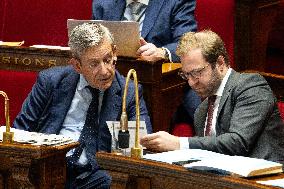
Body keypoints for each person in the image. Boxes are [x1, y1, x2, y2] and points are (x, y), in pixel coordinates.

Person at [13, 23, 152, 189]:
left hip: (95, 175)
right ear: (77, 65)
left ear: (115, 52)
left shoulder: (128, 92)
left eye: (108, 59)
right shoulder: (50, 82)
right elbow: (19, 131)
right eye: (94, 64)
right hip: (48, 169)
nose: (105, 71)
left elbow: (141, 144)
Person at [140, 30, 284, 163]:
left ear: (220, 63)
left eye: (197, 73)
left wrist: (179, 143)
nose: (191, 82)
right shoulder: (202, 111)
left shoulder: (250, 86)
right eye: (186, 75)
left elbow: (238, 142)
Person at [92, 0, 201, 128]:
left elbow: (188, 42)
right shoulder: (103, 3)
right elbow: (93, 44)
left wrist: (162, 52)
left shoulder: (175, 2)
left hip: (162, 87)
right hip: (112, 83)